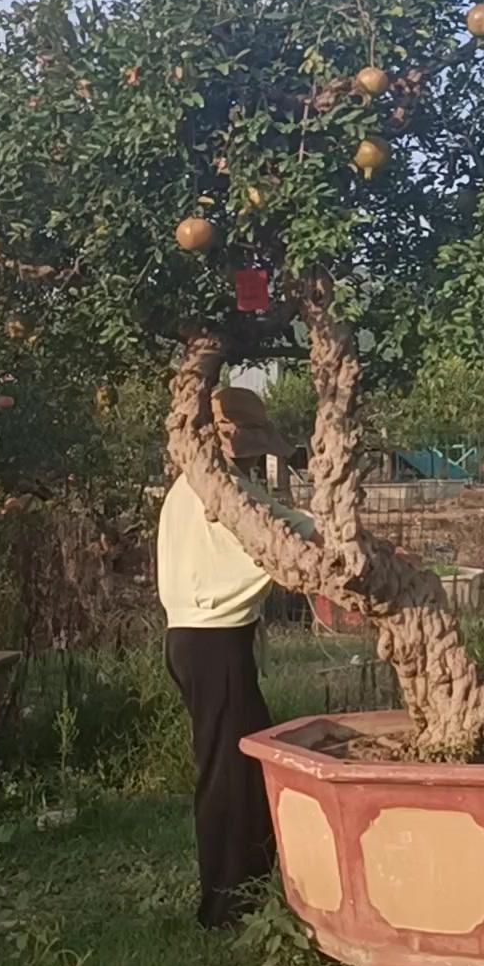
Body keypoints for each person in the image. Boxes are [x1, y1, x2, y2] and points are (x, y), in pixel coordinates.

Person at [157, 385, 314, 928]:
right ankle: (224, 908)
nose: (254, 459)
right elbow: (290, 530)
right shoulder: (223, 492)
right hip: (214, 642)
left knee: (243, 766)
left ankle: (247, 888)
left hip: (194, 640)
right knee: (228, 774)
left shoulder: (190, 486)